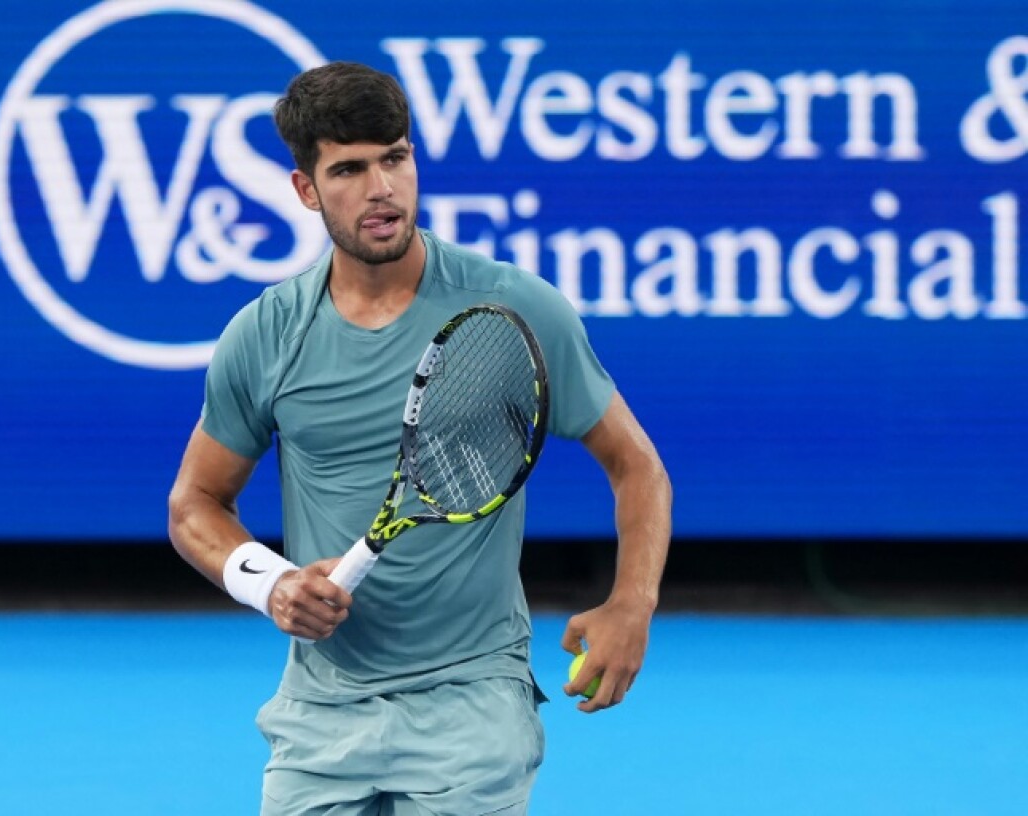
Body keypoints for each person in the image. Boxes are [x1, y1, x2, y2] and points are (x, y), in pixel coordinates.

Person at [168, 61, 672, 816]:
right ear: (306, 189)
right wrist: (268, 582)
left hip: (472, 701)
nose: (381, 188)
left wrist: (631, 604)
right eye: (349, 169)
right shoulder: (266, 334)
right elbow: (194, 505)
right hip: (321, 710)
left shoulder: (512, 306)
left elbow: (636, 465)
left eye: (395, 158)